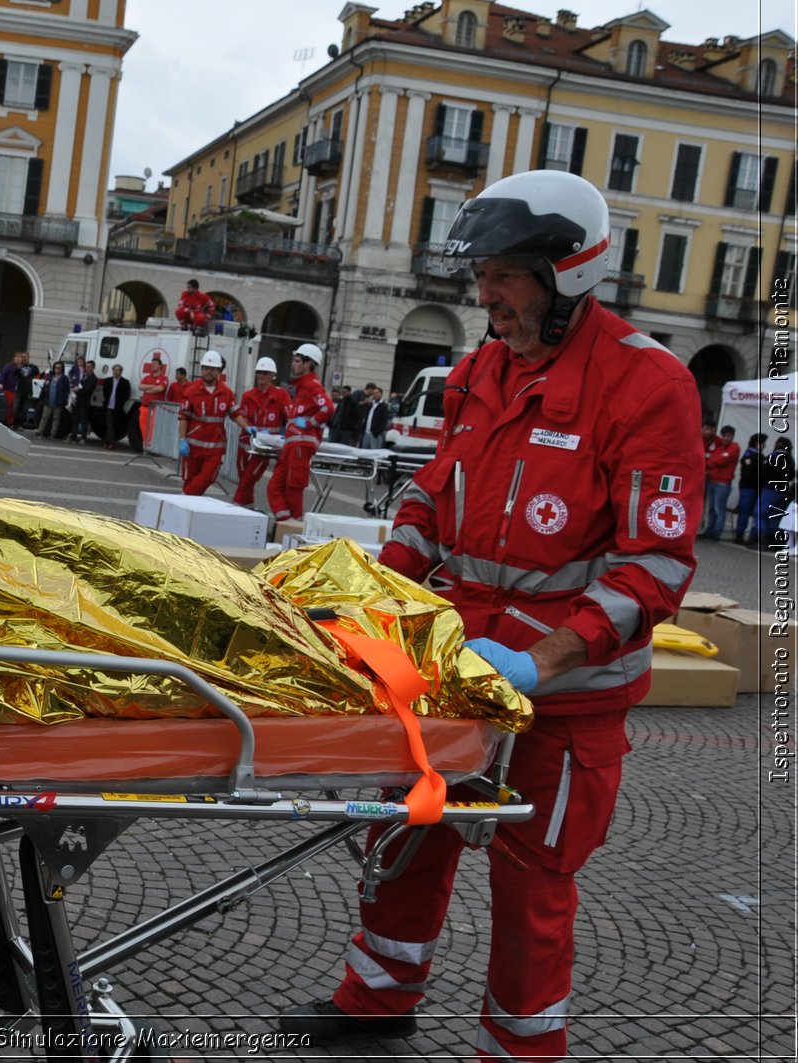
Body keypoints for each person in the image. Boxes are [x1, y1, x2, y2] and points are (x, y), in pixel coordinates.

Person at [281, 169, 704, 1062]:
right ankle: (378, 999)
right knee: (404, 837)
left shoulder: (648, 384)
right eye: (482, 276)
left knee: (533, 887)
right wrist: (376, 590)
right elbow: (430, 502)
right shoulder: (479, 370)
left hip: (564, 696)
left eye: (505, 274)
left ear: (569, 272)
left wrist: (542, 660)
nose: (486, 295)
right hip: (451, 673)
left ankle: (519, 1048)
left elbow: (654, 563)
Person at [266, 343, 332, 521]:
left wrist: (310, 422)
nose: (293, 364)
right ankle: (285, 524)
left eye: (297, 361)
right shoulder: (303, 386)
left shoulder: (312, 385)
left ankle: (294, 527)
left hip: (301, 445)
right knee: (274, 487)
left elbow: (328, 408)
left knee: (293, 488)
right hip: (292, 445)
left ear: (308, 364)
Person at [230, 356, 290, 508]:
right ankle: (249, 510)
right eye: (259, 372)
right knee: (244, 479)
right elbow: (241, 416)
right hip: (245, 445)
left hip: (264, 448)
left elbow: (291, 416)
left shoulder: (280, 395)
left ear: (272, 375)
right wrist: (247, 426)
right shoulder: (248, 396)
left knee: (247, 481)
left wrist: (289, 433)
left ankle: (235, 510)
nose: (261, 376)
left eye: (265, 373)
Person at [176, 351, 236, 496]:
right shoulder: (191, 391)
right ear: (202, 369)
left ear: (218, 371)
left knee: (207, 478)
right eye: (206, 368)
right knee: (189, 480)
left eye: (212, 369)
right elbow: (183, 417)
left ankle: (185, 498)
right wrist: (183, 439)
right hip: (193, 447)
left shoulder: (226, 393)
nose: (208, 372)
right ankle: (187, 511)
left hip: (214, 448)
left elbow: (236, 414)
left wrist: (249, 428)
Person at [700, 424, 738, 540]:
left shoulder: (734, 448)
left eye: (729, 436)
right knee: (711, 508)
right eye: (724, 436)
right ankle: (709, 530)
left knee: (718, 508)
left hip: (723, 482)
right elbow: (713, 460)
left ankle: (717, 532)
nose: (726, 438)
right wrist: (712, 463)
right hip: (713, 480)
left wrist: (711, 464)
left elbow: (720, 461)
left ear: (732, 437)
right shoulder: (720, 448)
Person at [762, 437, 795, 550]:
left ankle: (762, 537)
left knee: (761, 513)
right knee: (774, 516)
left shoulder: (774, 456)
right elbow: (791, 475)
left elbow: (764, 472)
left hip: (770, 489)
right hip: (781, 491)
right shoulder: (790, 459)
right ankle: (774, 540)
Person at [734, 433, 767, 546]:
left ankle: (751, 535)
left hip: (756, 487)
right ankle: (739, 534)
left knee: (754, 512)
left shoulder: (760, 456)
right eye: (761, 443)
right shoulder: (749, 454)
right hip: (748, 487)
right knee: (744, 510)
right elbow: (748, 473)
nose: (763, 445)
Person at [137, 354, 169, 447]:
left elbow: (160, 389)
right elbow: (140, 386)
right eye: (152, 363)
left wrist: (147, 389)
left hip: (155, 408)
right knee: (143, 425)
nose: (152, 365)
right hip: (145, 406)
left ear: (160, 366)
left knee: (153, 427)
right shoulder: (147, 377)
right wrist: (153, 387)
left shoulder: (163, 378)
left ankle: (152, 445)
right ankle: (145, 443)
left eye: (155, 363)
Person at [36, 361, 72, 439]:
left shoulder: (64, 378)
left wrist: (64, 400)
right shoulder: (51, 376)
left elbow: (67, 390)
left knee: (56, 418)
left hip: (58, 402)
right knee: (44, 417)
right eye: (56, 367)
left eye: (59, 368)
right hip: (49, 400)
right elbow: (45, 388)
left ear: (62, 369)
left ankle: (52, 434)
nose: (57, 369)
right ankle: (39, 432)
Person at [101, 364, 134, 450]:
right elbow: (105, 392)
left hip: (118, 407)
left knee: (113, 425)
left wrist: (120, 403)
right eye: (114, 370)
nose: (115, 372)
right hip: (108, 406)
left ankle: (105, 441)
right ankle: (112, 444)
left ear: (121, 372)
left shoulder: (125, 382)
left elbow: (127, 395)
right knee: (109, 425)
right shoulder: (107, 381)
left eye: (117, 370)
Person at [70, 360, 97, 443]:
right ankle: (73, 437)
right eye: (86, 366)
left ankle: (83, 438)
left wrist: (78, 390)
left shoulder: (93, 378)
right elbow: (79, 384)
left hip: (85, 402)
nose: (87, 368)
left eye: (89, 367)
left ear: (93, 368)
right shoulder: (84, 376)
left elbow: (88, 389)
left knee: (83, 420)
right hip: (78, 400)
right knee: (75, 419)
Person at [359, 383, 390, 449]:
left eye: (377, 393)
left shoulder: (384, 406)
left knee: (374, 452)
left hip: (375, 434)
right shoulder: (370, 405)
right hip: (366, 432)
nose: (375, 395)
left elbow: (384, 421)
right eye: (374, 393)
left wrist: (376, 432)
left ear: (381, 394)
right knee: (364, 452)